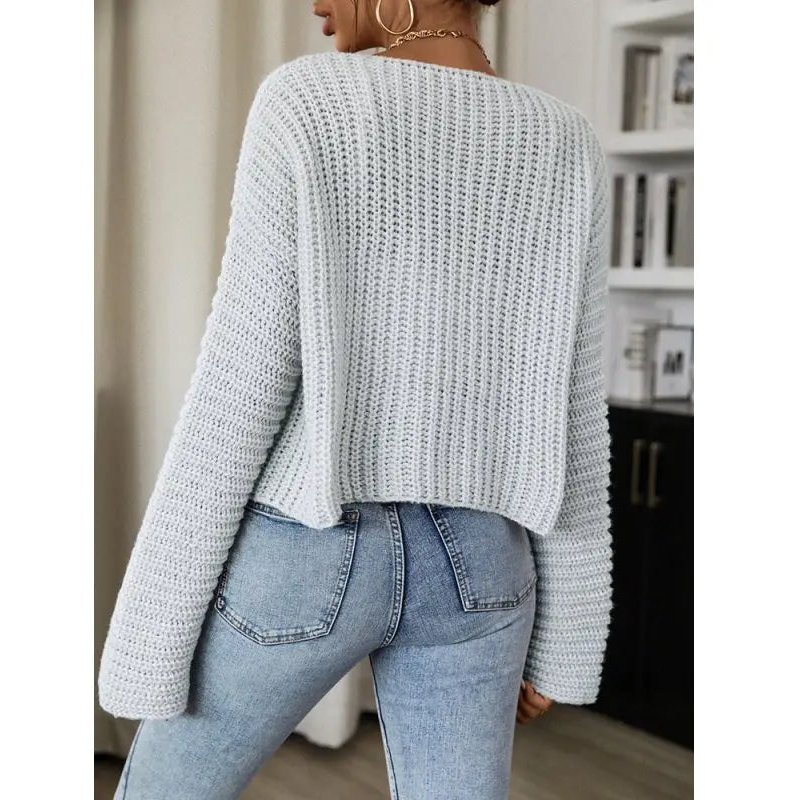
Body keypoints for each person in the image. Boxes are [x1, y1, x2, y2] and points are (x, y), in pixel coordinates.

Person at [98, 0, 614, 798]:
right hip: (484, 562)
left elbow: (238, 388)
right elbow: (572, 409)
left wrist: (147, 641)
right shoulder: (566, 138)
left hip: (310, 545)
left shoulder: (308, 100)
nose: (315, 3)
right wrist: (566, 641)